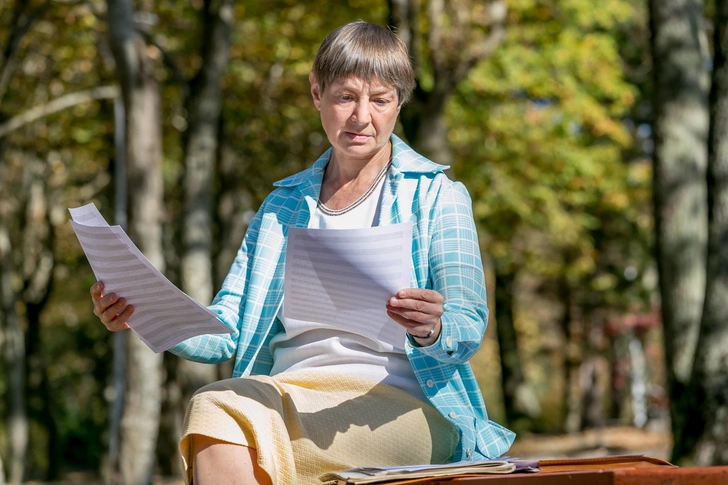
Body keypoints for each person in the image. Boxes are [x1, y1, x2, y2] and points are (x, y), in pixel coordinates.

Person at [91, 20, 514, 485]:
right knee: (215, 408)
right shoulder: (283, 205)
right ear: (317, 93)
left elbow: (468, 321)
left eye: (380, 100)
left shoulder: (438, 197)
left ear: (399, 103)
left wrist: (433, 328)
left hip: (402, 406)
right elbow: (229, 330)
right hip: (288, 394)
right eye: (345, 97)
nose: (361, 117)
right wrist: (145, 311)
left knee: (216, 409)